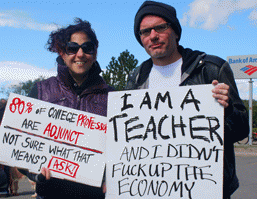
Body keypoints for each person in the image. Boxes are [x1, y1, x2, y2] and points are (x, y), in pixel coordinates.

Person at [126, 1, 249, 198]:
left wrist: (228, 110)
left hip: (206, 188)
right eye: (145, 32)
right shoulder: (137, 77)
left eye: (160, 27)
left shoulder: (211, 68)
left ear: (175, 31)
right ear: (140, 39)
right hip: (154, 187)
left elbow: (242, 130)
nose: (153, 36)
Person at [19, 18, 114, 199]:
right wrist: (35, 174)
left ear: (95, 53)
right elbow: (19, 149)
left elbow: (120, 152)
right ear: (62, 52)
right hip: (50, 194)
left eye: (87, 48)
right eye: (72, 48)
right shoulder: (40, 91)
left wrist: (112, 177)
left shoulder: (113, 97)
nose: (80, 54)